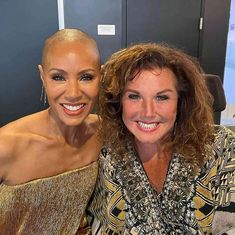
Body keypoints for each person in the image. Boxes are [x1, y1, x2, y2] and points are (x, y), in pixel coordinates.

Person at [87, 43, 235, 234]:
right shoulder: (105, 153)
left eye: (162, 98)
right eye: (134, 96)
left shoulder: (222, 146)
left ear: (180, 100)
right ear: (118, 101)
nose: (148, 112)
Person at [0, 28, 101, 234]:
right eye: (58, 77)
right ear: (42, 76)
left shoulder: (103, 133)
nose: (73, 93)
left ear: (101, 76)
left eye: (86, 77)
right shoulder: (6, 146)